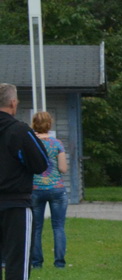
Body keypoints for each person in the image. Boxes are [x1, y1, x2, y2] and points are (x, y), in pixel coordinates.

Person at [0, 84, 50, 280]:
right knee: (17, 257)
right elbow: (40, 163)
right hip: (15, 201)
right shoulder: (19, 131)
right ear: (13, 103)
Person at [30, 112, 70, 269]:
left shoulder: (30, 143)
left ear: (34, 124)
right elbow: (63, 168)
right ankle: (59, 263)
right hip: (57, 189)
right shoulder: (57, 143)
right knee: (58, 226)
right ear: (50, 124)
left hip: (35, 189)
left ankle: (36, 263)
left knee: (36, 227)